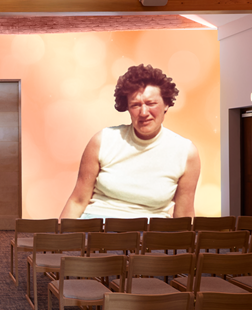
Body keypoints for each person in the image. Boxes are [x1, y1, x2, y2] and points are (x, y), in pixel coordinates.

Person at [60, 64, 201, 219]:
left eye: (151, 103)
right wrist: (60, 234)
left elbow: (184, 215)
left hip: (151, 231)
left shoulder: (185, 152)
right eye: (135, 105)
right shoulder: (103, 141)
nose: (144, 112)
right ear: (127, 107)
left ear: (166, 104)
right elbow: (77, 201)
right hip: (97, 226)